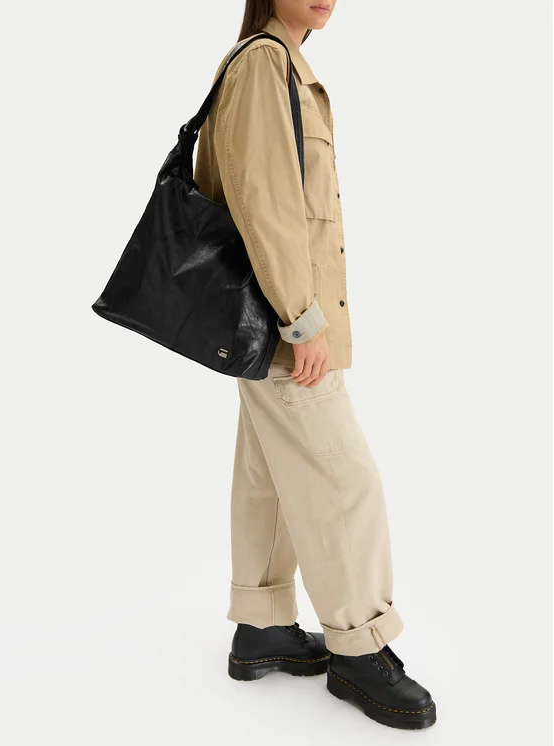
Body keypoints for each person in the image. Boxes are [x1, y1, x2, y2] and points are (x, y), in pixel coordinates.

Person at [193, 0, 436, 730]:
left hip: (275, 318)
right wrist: (301, 320)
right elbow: (265, 203)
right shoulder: (264, 65)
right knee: (344, 479)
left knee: (270, 471)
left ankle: (264, 624)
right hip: (284, 319)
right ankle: (359, 647)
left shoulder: (281, 65)